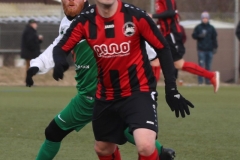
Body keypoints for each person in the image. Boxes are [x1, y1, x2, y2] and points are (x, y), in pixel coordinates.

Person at [25, 0, 175, 159]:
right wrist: (37, 65)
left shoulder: (102, 17)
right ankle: (161, 153)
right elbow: (57, 46)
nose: (70, 0)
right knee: (109, 136)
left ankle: (159, 152)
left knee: (120, 134)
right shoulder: (68, 23)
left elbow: (134, 39)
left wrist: (152, 55)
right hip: (88, 97)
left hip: (103, 95)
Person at [149, 0, 220, 92]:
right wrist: (157, 22)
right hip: (166, 34)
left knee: (177, 63)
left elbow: (171, 12)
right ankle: (149, 90)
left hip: (171, 34)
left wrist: (153, 16)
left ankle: (211, 75)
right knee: (156, 60)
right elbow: (166, 17)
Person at [192, 11, 218, 85]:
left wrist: (215, 47)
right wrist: (199, 36)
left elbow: (214, 38)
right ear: (201, 19)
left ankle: (208, 81)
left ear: (208, 19)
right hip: (201, 50)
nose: (205, 19)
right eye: (203, 18)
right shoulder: (198, 27)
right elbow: (193, 35)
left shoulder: (211, 28)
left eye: (206, 18)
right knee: (201, 66)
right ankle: (200, 81)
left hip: (209, 50)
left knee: (208, 66)